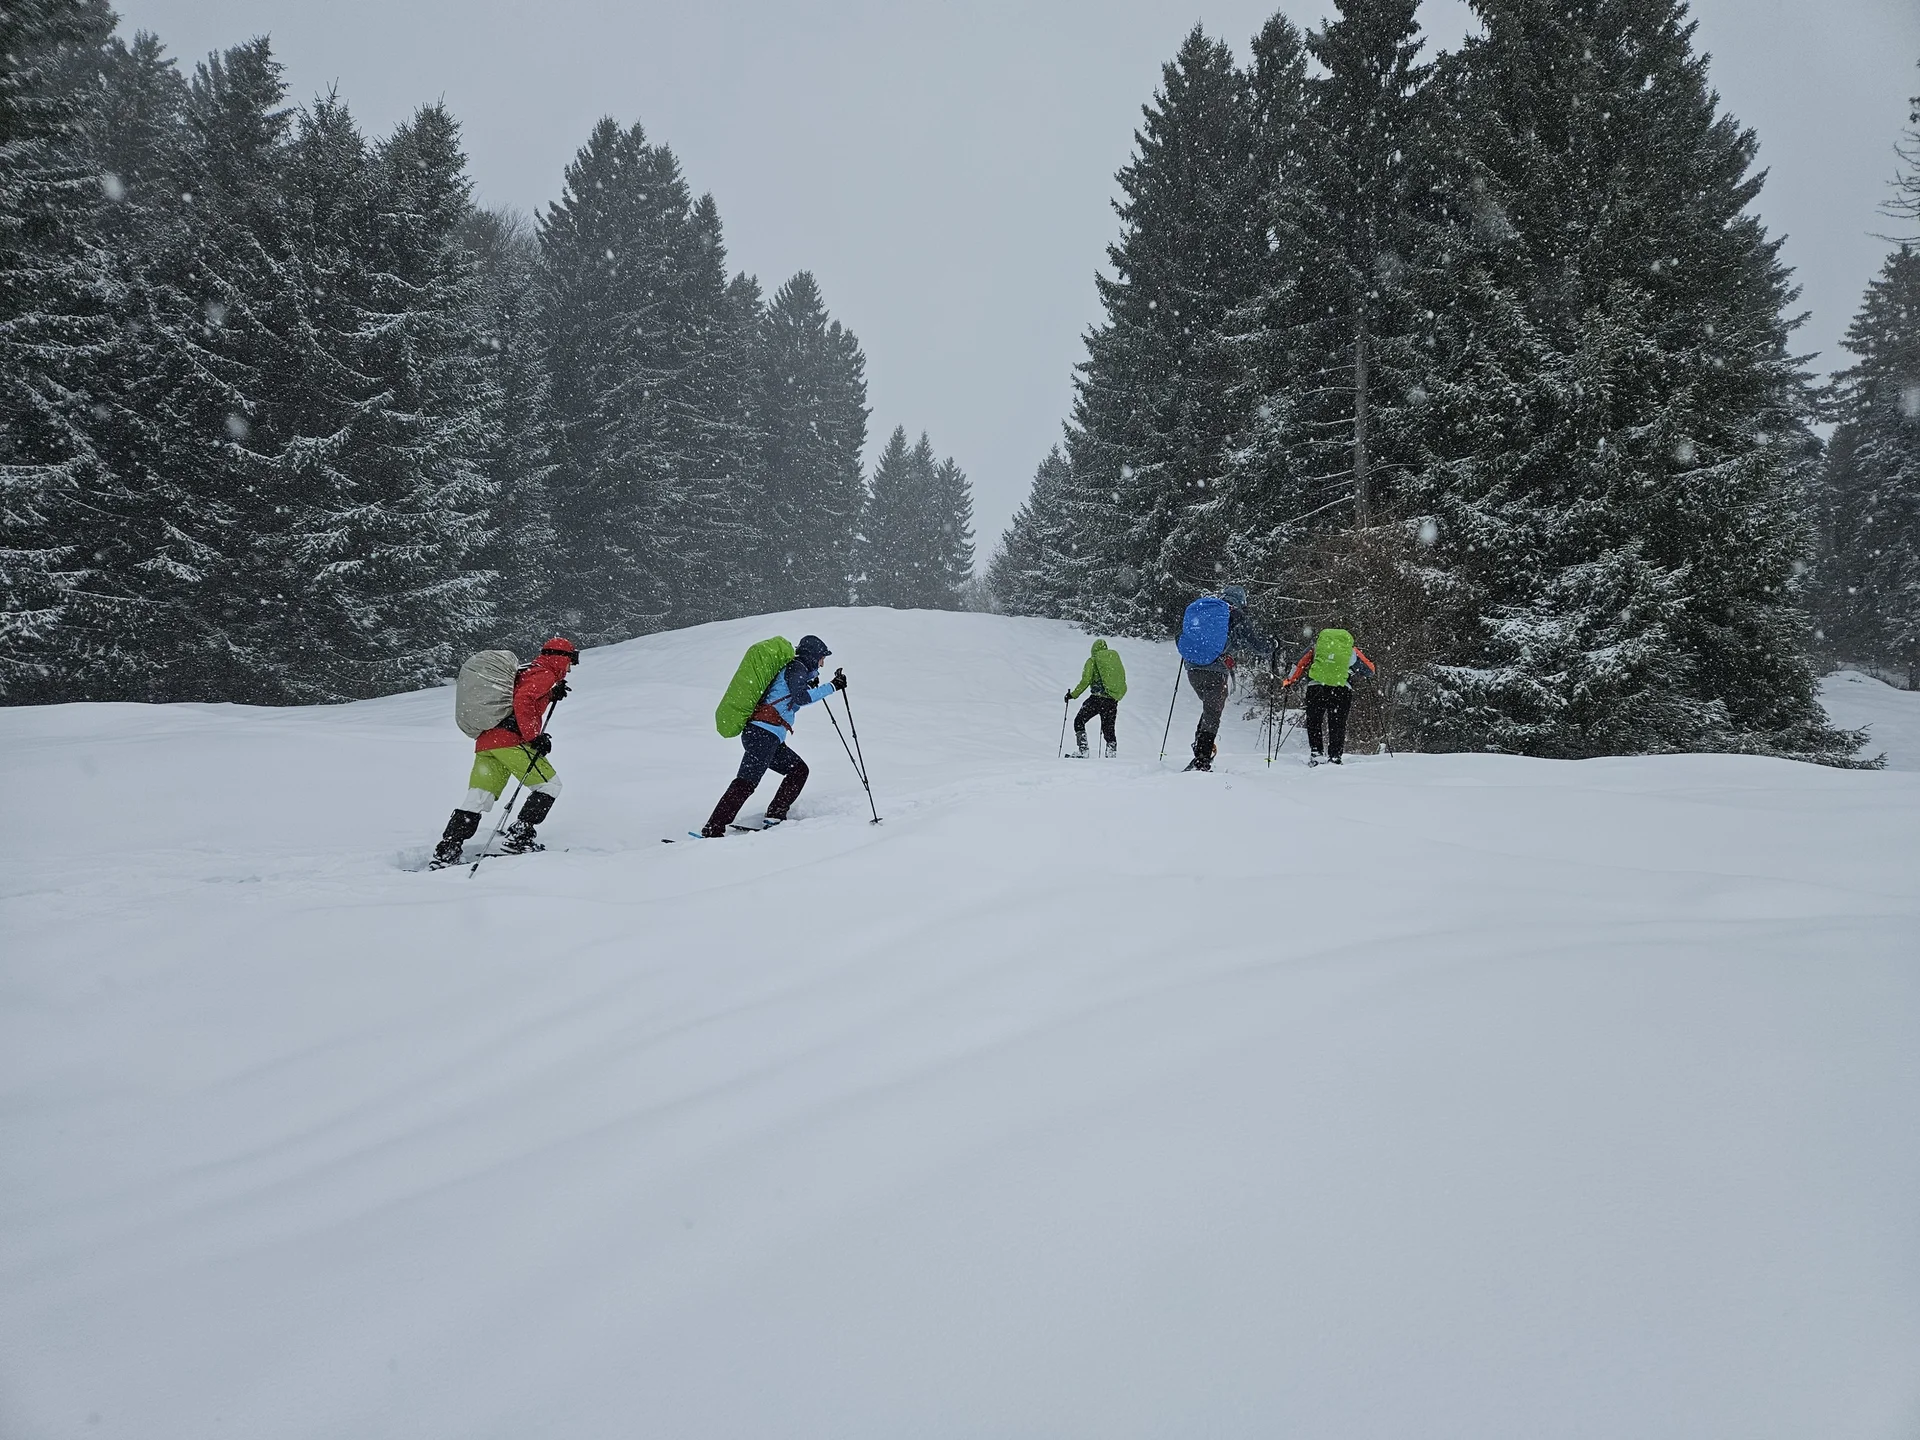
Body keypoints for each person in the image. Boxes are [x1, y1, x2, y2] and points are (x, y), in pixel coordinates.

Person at [431, 637, 579, 867]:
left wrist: (550, 695)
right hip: (510, 742)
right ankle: (520, 838)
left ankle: (448, 848)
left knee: (479, 796)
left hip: (487, 742)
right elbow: (524, 699)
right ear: (562, 658)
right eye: (572, 661)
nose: (571, 667)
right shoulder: (544, 673)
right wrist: (533, 737)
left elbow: (519, 697)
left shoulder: (528, 671)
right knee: (550, 785)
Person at [702, 633, 843, 837]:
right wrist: (832, 686)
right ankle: (713, 828)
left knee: (798, 770)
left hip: (767, 736)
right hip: (763, 735)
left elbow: (789, 701)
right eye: (822, 657)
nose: (822, 663)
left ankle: (775, 815)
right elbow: (801, 698)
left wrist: (811, 685)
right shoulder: (796, 668)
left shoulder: (798, 671)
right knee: (746, 782)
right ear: (812, 655)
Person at [1185, 584, 1272, 771]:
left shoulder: (1207, 611)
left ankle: (1200, 747)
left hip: (1192, 668)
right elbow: (1256, 644)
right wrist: (1272, 644)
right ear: (1242, 601)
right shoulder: (1236, 615)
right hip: (1215, 670)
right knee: (1213, 712)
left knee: (1209, 708)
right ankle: (1202, 757)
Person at [1281, 627, 1377, 764]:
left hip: (1316, 687)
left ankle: (1316, 753)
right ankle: (1335, 756)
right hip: (1341, 689)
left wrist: (1288, 681)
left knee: (1314, 721)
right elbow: (1370, 670)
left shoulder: (1316, 647)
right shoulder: (1351, 651)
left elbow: (1299, 664)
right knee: (1337, 724)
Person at [1065, 639, 1127, 757]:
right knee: (1108, 728)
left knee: (1079, 721)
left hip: (1096, 699)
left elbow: (1085, 681)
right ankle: (1111, 754)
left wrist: (1073, 695)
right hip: (1111, 700)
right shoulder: (1112, 662)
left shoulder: (1092, 661)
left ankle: (1083, 750)